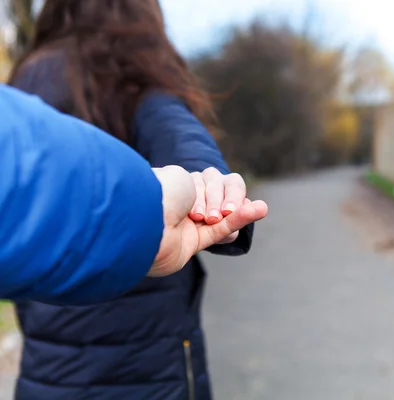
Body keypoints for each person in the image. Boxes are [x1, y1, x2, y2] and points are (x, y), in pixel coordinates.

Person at [9, 1, 260, 399]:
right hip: (144, 370)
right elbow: (177, 131)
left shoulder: (21, 82)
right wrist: (207, 181)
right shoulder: (127, 70)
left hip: (49, 373)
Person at [0, 84, 268, 304]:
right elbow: (176, 131)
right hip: (145, 322)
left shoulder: (24, 79)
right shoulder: (139, 76)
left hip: (46, 322)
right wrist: (186, 191)